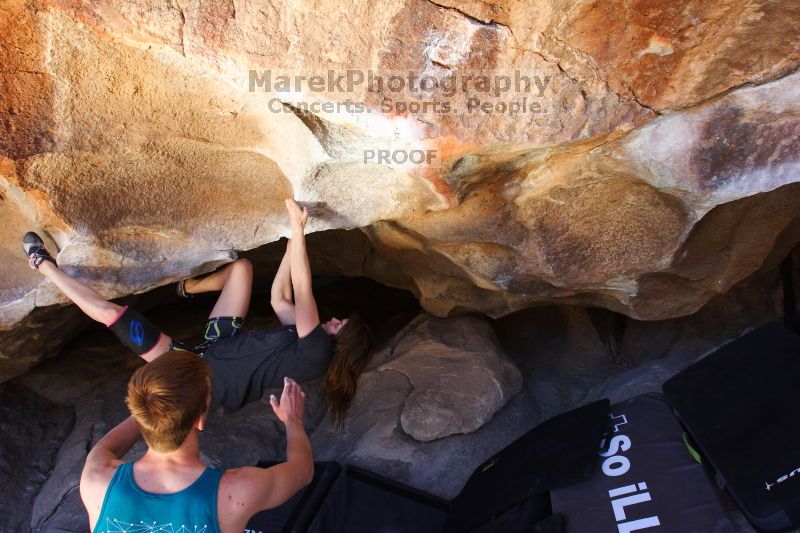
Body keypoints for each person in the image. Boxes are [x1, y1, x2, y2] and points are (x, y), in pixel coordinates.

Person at [22, 198, 371, 426]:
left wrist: (299, 229)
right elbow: (281, 298)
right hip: (219, 345)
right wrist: (292, 240)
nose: (334, 320)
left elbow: (302, 287)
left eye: (340, 325)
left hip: (196, 372)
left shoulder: (318, 350)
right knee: (242, 270)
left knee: (113, 314)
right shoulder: (309, 344)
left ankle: (43, 266)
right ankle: (187, 288)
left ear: (342, 343)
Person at [80, 350, 312, 532]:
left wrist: (151, 406)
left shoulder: (97, 478)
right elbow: (303, 471)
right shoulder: (235, 491)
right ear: (199, 420)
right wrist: (293, 420)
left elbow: (106, 446)